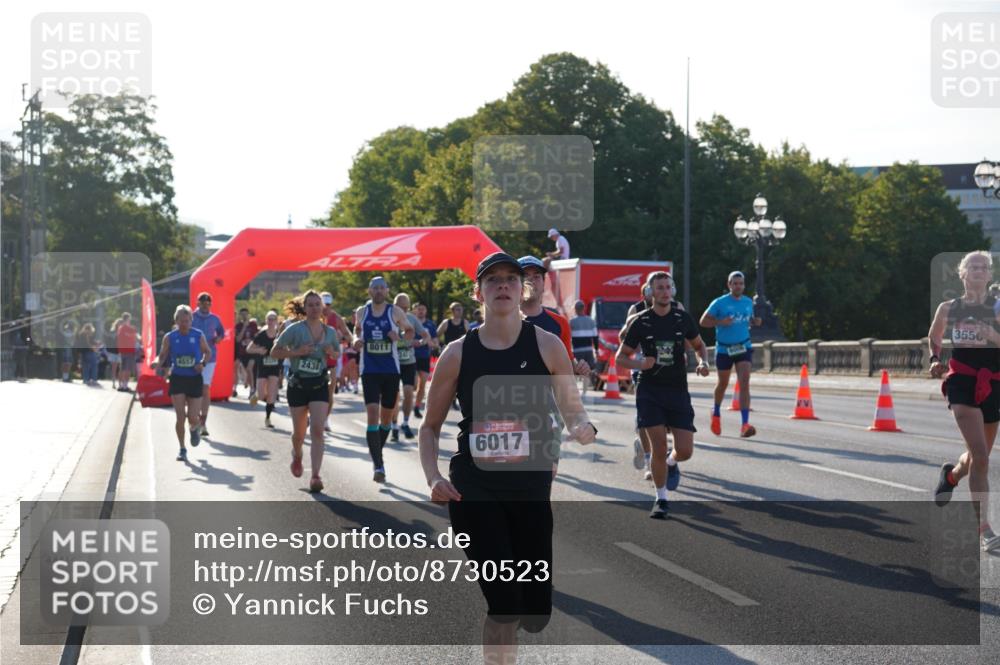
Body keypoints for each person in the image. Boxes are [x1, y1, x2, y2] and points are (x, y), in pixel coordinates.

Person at [419, 252, 597, 664]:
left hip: (530, 486)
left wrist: (582, 428)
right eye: (493, 280)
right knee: (503, 603)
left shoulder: (548, 345)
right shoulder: (458, 354)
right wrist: (432, 477)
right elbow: (429, 427)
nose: (503, 286)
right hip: (474, 489)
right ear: (478, 291)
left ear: (523, 289)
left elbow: (573, 410)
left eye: (511, 280)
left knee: (533, 612)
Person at [617, 271, 710, 519]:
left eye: (668, 287)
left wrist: (703, 362)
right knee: (658, 446)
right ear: (650, 292)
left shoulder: (682, 318)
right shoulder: (641, 320)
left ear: (673, 290)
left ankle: (671, 463)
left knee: (685, 450)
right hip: (650, 391)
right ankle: (661, 499)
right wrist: (640, 365)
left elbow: (700, 345)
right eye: (659, 288)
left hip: (677, 390)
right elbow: (621, 356)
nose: (665, 292)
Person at [930, 250, 1000, 553]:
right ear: (962, 273)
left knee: (975, 456)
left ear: (990, 275)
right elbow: (935, 335)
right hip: (962, 381)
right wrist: (935, 359)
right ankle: (984, 530)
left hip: (994, 382)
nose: (979, 270)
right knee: (982, 456)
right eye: (973, 266)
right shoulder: (949, 308)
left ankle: (952, 474)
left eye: (984, 267)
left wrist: (991, 334)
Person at [270, 291, 339, 493]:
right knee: (299, 434)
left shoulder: (330, 332)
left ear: (322, 307)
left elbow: (336, 353)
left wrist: (330, 353)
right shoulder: (295, 330)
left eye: (318, 304)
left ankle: (316, 475)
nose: (315, 308)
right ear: (304, 308)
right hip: (298, 386)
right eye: (310, 305)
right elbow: (275, 352)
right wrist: (296, 353)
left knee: (317, 429)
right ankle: (297, 453)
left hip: (319, 385)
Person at [353, 276, 414, 482]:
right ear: (369, 291)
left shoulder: (394, 312)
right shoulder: (362, 312)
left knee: (386, 419)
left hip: (390, 370)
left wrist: (401, 339)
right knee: (372, 414)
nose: (378, 291)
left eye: (382, 288)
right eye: (375, 288)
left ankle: (376, 451)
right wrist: (356, 340)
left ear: (387, 291)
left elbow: (410, 331)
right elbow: (357, 331)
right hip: (369, 369)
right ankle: (378, 466)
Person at [700, 271, 762, 438]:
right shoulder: (719, 303)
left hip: (743, 346)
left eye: (741, 283)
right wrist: (720, 322)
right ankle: (716, 412)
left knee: (744, 381)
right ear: (729, 285)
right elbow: (703, 321)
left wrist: (755, 322)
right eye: (735, 283)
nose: (738, 286)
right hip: (724, 349)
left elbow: (747, 320)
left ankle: (745, 424)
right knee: (723, 383)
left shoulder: (748, 302)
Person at [153, 305, 211, 462]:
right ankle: (182, 449)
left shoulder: (198, 335)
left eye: (187, 321)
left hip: (194, 379)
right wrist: (156, 363)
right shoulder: (170, 337)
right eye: (182, 321)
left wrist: (202, 364)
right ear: (176, 321)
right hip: (178, 378)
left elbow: (208, 352)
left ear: (192, 320)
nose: (185, 324)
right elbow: (163, 355)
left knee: (192, 417)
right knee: (180, 416)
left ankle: (195, 428)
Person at [389, 293, 432, 441]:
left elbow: (426, 336)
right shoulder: (389, 317)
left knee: (408, 392)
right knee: (394, 396)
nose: (403, 310)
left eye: (406, 307)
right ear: (395, 306)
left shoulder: (412, 319)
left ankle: (405, 422)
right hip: (392, 362)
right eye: (400, 307)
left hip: (408, 361)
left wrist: (420, 342)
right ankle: (394, 425)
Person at [191, 292, 226, 437]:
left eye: (208, 304)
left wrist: (218, 338)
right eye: (202, 303)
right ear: (198, 303)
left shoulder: (215, 319)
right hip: (192, 357)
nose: (205, 306)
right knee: (194, 390)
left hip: (210, 357)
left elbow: (222, 333)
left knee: (205, 388)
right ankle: (194, 419)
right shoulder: (191, 316)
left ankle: (203, 423)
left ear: (210, 305)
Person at [321, 292, 354, 430]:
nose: (326, 307)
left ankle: (326, 419)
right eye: (324, 304)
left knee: (330, 391)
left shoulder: (336, 318)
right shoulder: (312, 316)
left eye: (328, 304)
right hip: (315, 360)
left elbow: (349, 336)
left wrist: (340, 338)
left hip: (331, 359)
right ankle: (312, 417)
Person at [247, 310, 282, 428]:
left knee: (272, 394)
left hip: (275, 367)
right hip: (262, 366)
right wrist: (258, 350)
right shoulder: (261, 335)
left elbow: (287, 348)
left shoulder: (280, 335)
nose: (271, 321)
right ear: (266, 321)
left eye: (273, 319)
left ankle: (268, 418)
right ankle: (256, 395)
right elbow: (249, 349)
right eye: (269, 319)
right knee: (262, 395)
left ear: (277, 321)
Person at [438, 302, 469, 410]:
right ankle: (442, 399)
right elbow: (436, 336)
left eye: (461, 309)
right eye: (457, 309)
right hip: (447, 354)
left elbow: (470, 338)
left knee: (458, 379)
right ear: (452, 311)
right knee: (446, 378)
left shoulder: (464, 323)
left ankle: (454, 401)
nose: (460, 311)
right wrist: (440, 346)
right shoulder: (446, 323)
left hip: (460, 355)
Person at [412, 302, 439, 419]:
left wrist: (430, 343)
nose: (421, 311)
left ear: (426, 311)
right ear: (414, 311)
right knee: (412, 385)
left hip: (424, 356)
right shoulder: (409, 323)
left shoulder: (430, 325)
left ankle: (417, 407)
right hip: (411, 356)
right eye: (419, 309)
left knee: (422, 384)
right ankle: (412, 400)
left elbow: (436, 343)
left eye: (423, 309)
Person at [569, 299, 599, 394]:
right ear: (584, 308)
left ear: (575, 309)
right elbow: (595, 337)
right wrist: (596, 349)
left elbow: (569, 337)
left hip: (577, 350)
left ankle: (574, 390)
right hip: (589, 350)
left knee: (575, 370)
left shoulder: (572, 322)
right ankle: (584, 392)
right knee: (586, 370)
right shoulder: (591, 321)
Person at [116, 313, 138, 392]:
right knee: (126, 369)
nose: (129, 320)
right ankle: (123, 385)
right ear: (128, 319)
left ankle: (122, 385)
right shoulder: (124, 328)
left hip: (125, 351)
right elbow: (134, 335)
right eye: (129, 319)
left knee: (123, 368)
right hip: (127, 351)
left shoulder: (121, 328)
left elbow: (134, 336)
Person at [233, 308, 250, 398]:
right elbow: (238, 339)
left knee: (248, 369)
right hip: (239, 351)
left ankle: (249, 385)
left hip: (250, 352)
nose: (244, 316)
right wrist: (244, 327)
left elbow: (255, 337)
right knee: (235, 369)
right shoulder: (238, 326)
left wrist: (250, 341)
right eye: (242, 314)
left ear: (248, 315)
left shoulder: (253, 325)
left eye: (245, 314)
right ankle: (234, 389)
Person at [105, 319, 121, 389]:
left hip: (121, 352)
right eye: (119, 324)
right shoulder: (112, 332)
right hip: (113, 352)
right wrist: (108, 351)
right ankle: (114, 383)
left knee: (121, 368)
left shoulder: (123, 332)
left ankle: (120, 383)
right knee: (114, 368)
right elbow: (108, 342)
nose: (120, 325)